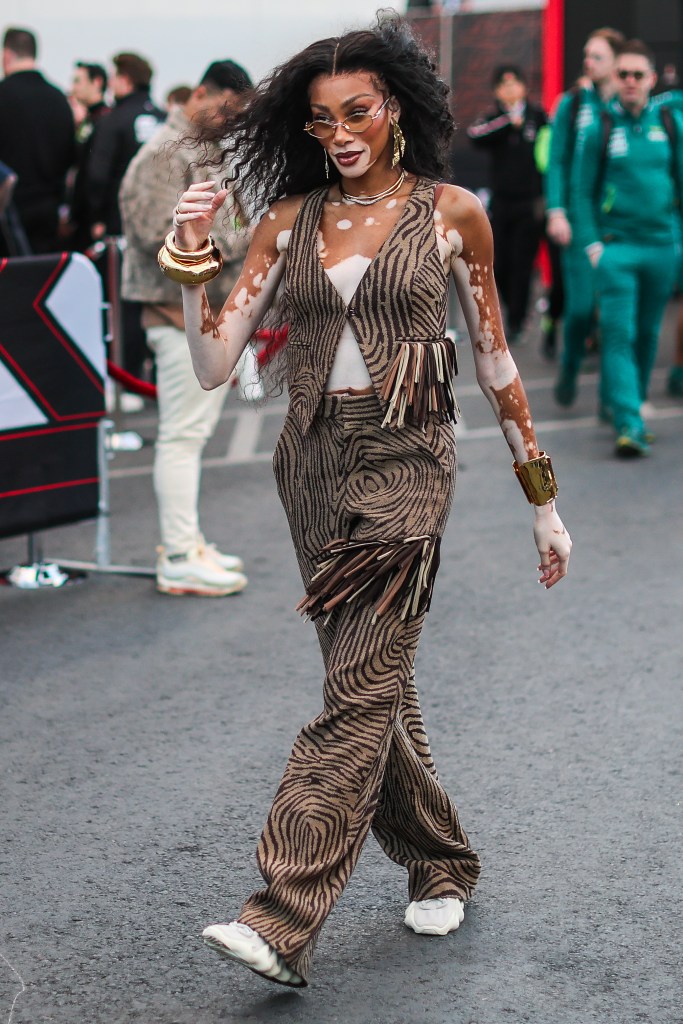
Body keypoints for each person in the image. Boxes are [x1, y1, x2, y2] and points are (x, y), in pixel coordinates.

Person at [158, 15, 571, 987]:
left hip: (408, 462)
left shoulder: (449, 212)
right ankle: (440, 859)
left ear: (394, 109)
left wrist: (540, 501)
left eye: (357, 112)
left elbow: (495, 360)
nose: (339, 132)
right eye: (320, 119)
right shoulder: (285, 221)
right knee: (373, 685)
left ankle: (280, 913)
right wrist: (189, 257)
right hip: (309, 467)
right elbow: (215, 360)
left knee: (351, 694)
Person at [119, 61, 253, 597]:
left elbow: (233, 221)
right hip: (174, 314)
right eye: (227, 110)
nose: (230, 123)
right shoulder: (163, 152)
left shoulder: (196, 149)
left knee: (189, 437)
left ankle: (188, 543)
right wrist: (235, 240)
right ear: (201, 93)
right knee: (182, 437)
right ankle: (178, 554)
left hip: (198, 313)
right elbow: (157, 234)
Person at [572, 39, 683, 457]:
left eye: (639, 74)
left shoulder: (669, 123)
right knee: (618, 334)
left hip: (662, 249)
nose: (631, 81)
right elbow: (581, 191)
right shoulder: (598, 126)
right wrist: (594, 245)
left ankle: (624, 403)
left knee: (648, 335)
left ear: (652, 79)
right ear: (615, 79)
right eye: (624, 74)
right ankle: (629, 422)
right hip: (617, 251)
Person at [545, 27, 625, 407]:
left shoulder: (627, 103)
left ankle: (615, 400)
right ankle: (570, 365)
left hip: (616, 226)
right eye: (586, 55)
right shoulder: (572, 103)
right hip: (577, 221)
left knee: (614, 317)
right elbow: (557, 161)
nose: (588, 62)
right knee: (578, 310)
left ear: (616, 61)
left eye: (597, 56)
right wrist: (556, 210)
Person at [87, 52, 165, 388]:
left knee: (126, 307)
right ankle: (158, 377)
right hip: (167, 228)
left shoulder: (113, 120)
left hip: (123, 232)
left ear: (124, 79)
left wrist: (94, 219)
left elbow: (96, 176)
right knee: (163, 303)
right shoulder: (164, 119)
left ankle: (129, 379)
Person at [467, 65, 547, 343]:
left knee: (523, 264)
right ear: (497, 91)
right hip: (501, 204)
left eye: (515, 84)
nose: (510, 90)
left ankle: (517, 321)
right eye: (504, 85)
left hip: (530, 204)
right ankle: (512, 308)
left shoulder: (539, 117)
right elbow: (475, 135)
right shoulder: (494, 119)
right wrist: (507, 122)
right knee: (499, 264)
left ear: (524, 87)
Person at [0, 26, 75, 256]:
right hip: (49, 211)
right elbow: (69, 156)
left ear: (7, 55)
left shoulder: (3, 95)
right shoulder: (59, 99)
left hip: (9, 212)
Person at [69, 61, 110, 251]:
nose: (73, 87)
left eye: (78, 81)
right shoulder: (87, 121)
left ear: (97, 83)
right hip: (80, 214)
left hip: (93, 219)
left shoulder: (106, 121)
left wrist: (97, 217)